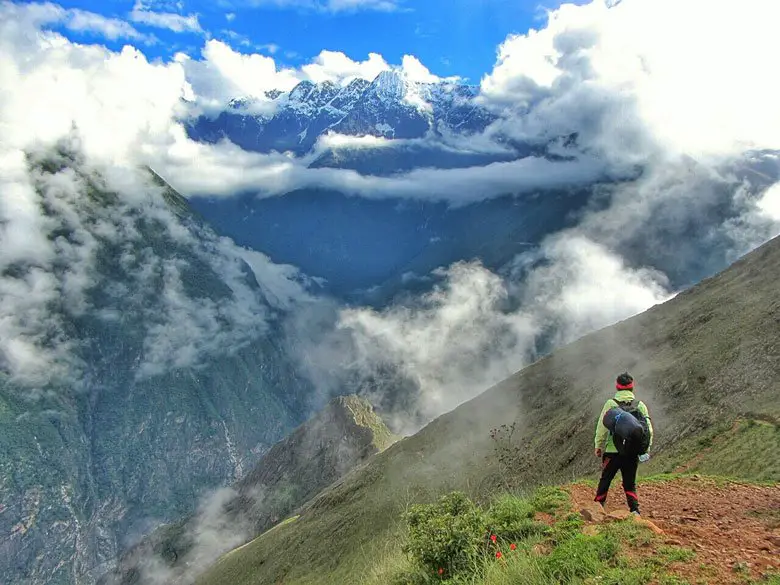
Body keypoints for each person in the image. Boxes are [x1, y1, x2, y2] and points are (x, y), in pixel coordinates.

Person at [593, 372, 653, 515]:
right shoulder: (640, 405)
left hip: (612, 451)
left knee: (605, 479)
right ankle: (634, 510)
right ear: (632, 388)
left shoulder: (611, 404)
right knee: (629, 483)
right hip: (631, 453)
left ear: (617, 387)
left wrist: (598, 445)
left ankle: (597, 508)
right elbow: (648, 429)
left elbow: (601, 427)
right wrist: (645, 448)